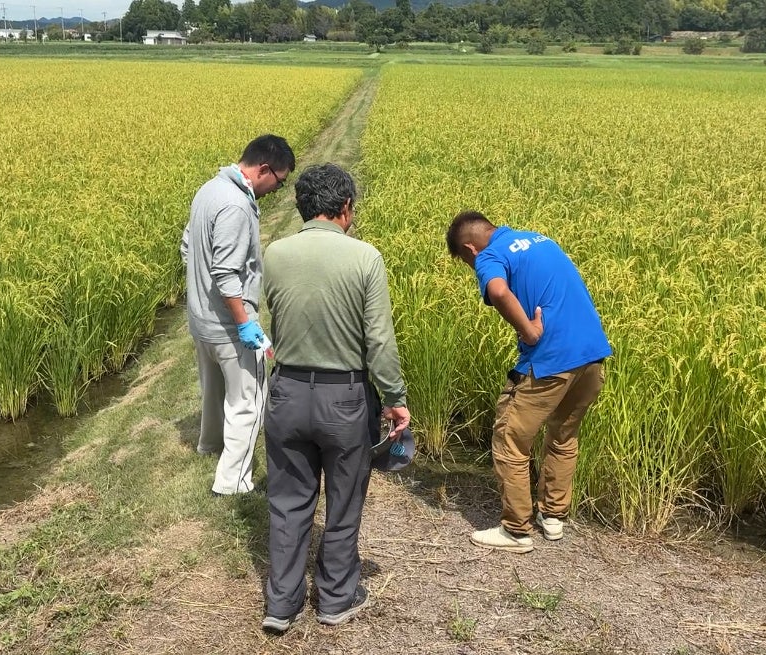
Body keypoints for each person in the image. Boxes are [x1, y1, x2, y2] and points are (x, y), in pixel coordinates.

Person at [260, 163, 410, 632]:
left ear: (303, 206)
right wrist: (395, 397)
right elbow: (379, 342)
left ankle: (281, 606)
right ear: (345, 208)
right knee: (343, 503)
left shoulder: (275, 253)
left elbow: (278, 316)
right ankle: (335, 599)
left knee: (288, 501)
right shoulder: (365, 258)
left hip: (285, 392)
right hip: (344, 399)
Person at [445, 211, 611, 553]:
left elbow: (498, 289)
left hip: (551, 360)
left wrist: (529, 330)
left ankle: (516, 530)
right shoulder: (539, 238)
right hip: (592, 355)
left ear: (469, 249)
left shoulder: (489, 255)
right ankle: (553, 517)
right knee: (563, 436)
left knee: (510, 439)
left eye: (464, 261)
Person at [181, 134, 295, 496]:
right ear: (263, 169)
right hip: (229, 326)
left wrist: (201, 293)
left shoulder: (209, 190)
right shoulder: (235, 205)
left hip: (201, 321)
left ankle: (209, 445)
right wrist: (245, 322)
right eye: (279, 181)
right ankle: (232, 482)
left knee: (213, 389)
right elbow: (226, 272)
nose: (278, 190)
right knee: (248, 400)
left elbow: (188, 247)